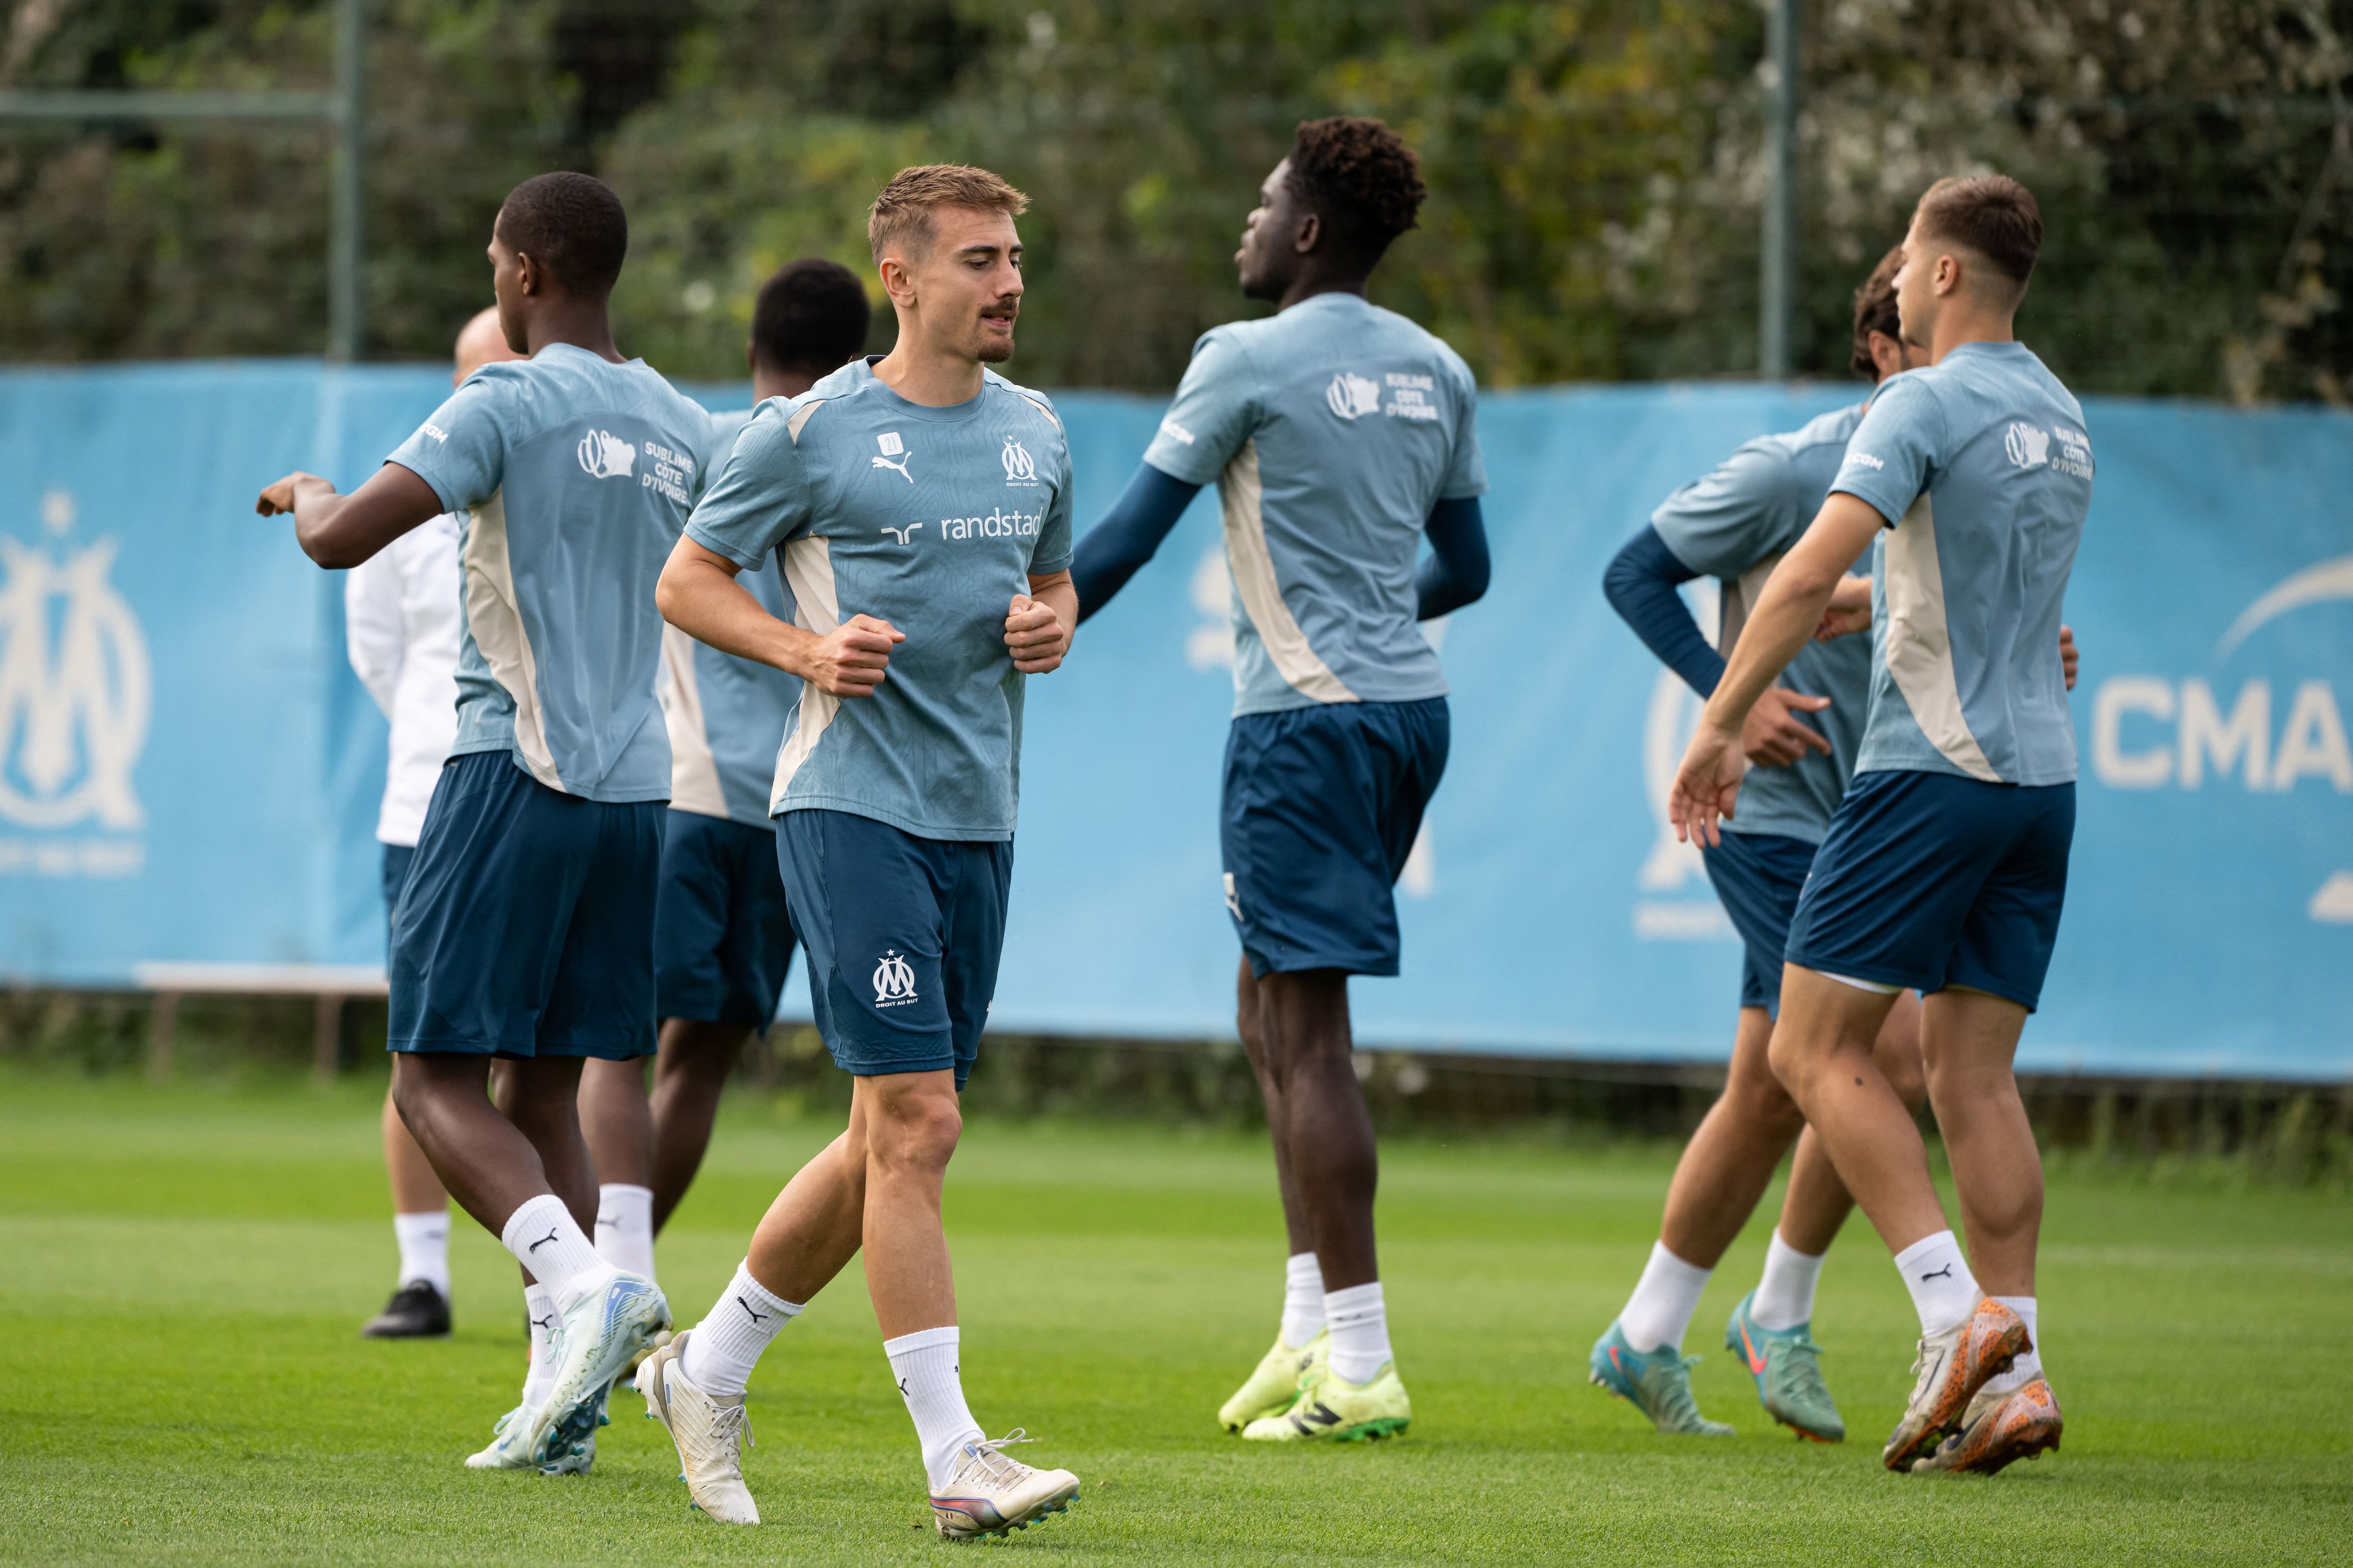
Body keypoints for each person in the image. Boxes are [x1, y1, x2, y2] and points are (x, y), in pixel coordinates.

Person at [636, 165, 1083, 1537]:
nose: (1007, 282)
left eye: (1012, 258)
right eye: (976, 261)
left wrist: (1051, 622)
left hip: (979, 815)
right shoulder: (808, 433)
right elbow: (686, 580)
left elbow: (1053, 581)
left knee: (880, 1137)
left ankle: (701, 1370)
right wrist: (803, 649)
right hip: (843, 808)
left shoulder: (1038, 435)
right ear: (900, 279)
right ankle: (956, 1459)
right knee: (921, 1123)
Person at [258, 171, 710, 1474]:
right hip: (637, 798)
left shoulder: (500, 400)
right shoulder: (682, 420)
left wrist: (305, 492)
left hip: (506, 773)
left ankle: (586, 1297)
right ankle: (558, 1404)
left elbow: (346, 540)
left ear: (522, 272)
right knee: (550, 1082)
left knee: (430, 1079)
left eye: (494, 263)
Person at [1070, 117, 1490, 1444]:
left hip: (1301, 724)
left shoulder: (1239, 360)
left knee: (1306, 1039)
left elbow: (1128, 540)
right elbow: (1465, 572)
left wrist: (1017, 632)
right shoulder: (1437, 369)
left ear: (1308, 231)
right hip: (1407, 711)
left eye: (1261, 206)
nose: (1242, 228)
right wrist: (1376, 618)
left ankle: (1360, 1362)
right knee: (1268, 1011)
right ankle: (1307, 1327)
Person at [1668, 174, 2089, 1477]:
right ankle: (2011, 1371)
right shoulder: (2060, 414)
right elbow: (1944, 591)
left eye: (1908, 256)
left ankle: (1949, 1318)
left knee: (1809, 1050)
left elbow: (1799, 572)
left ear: (1945, 274)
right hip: (2039, 787)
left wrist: (1718, 723)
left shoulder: (1917, 399)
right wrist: (1862, 614)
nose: (1895, 278)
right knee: (1971, 1078)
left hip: (1925, 774)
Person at [575, 260, 874, 1287]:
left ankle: (596, 1288)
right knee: (698, 1064)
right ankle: (623, 1278)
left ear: (753, 355)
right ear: (860, 361)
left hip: (688, 794)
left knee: (618, 1048)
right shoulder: (869, 462)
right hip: (794, 808)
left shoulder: (718, 442)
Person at [346, 306, 523, 1341]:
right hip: (427, 804)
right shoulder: (405, 496)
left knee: (543, 1056)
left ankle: (558, 1283)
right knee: (426, 1052)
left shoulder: (575, 483)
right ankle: (424, 1277)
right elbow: (380, 653)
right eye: (478, 378)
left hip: (546, 796)